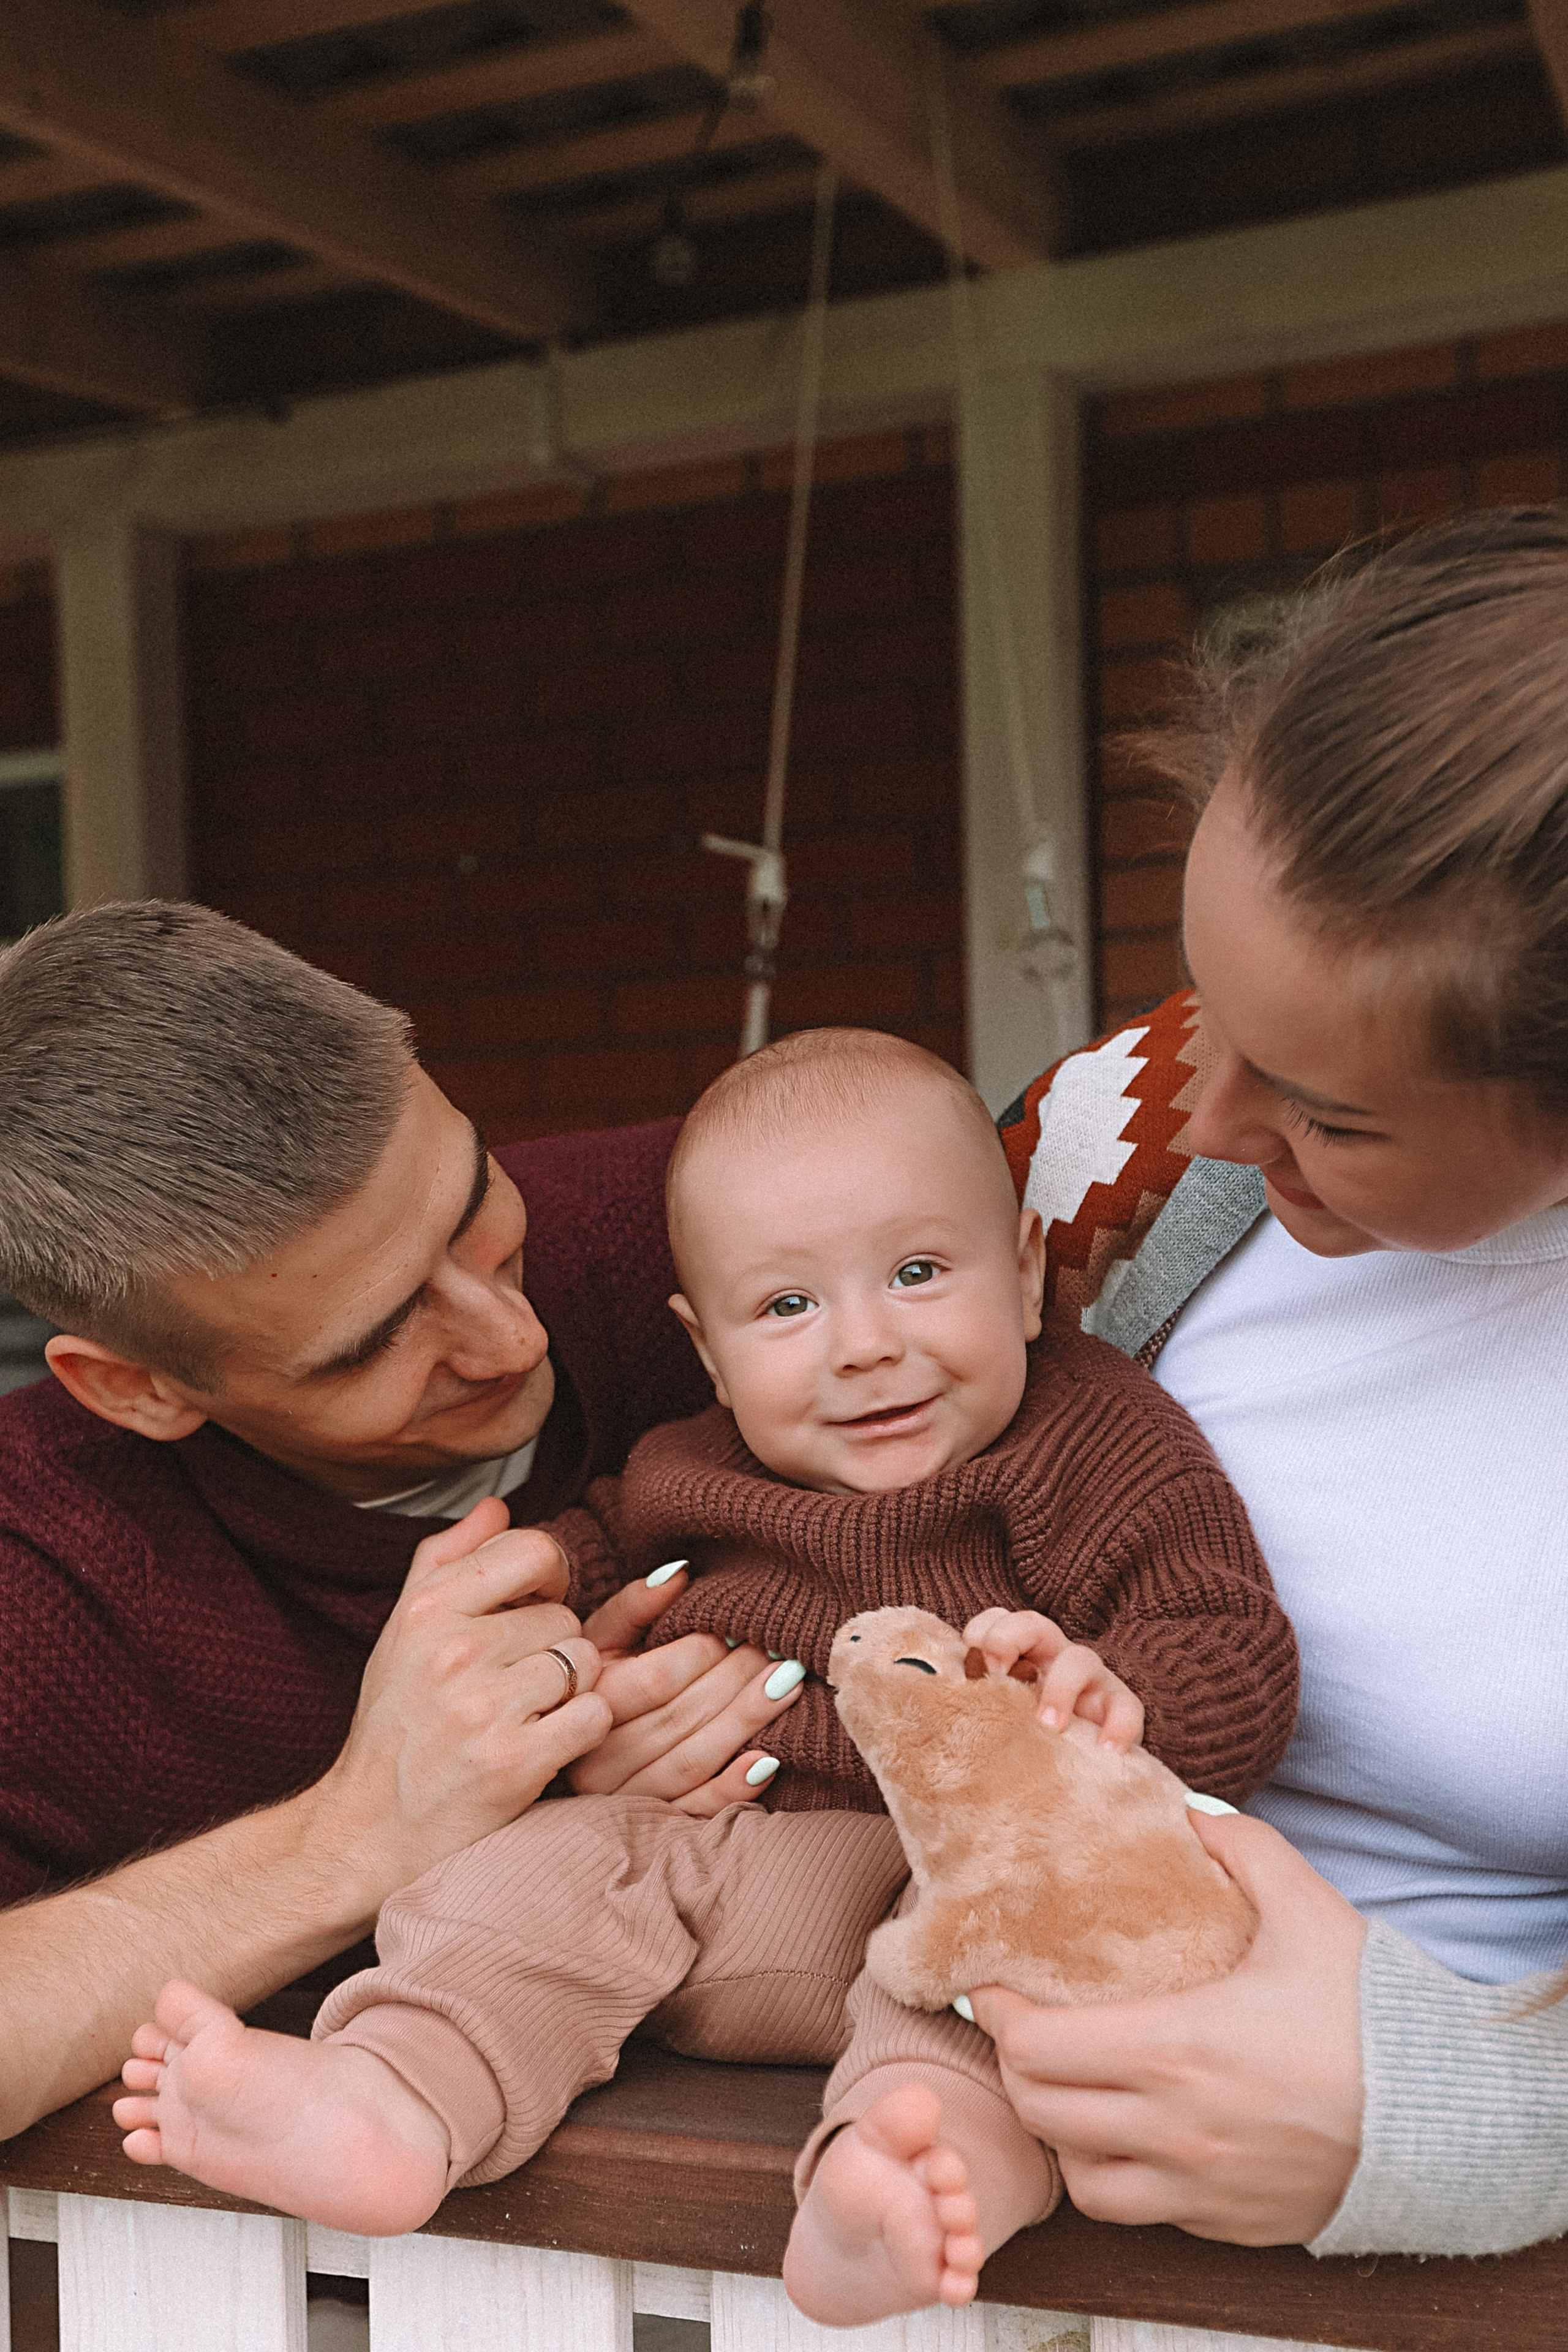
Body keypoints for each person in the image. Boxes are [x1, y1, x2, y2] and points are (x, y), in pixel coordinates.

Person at [111, 1028, 1297, 2326]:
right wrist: (523, 1637)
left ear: (1021, 1278)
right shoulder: (685, 1466)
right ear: (710, 1350)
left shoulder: (1095, 1435)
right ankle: (396, 2095)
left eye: (914, 1272)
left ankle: (907, 2174)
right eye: (787, 1306)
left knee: (1026, 1964)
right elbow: (568, 1576)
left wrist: (1105, 1698)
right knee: (524, 1877)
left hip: (951, 1887)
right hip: (723, 1881)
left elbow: (1222, 1632)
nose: (860, 1345)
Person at [976, 506, 1568, 2261]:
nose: (1212, 1116)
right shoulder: (1120, 1138)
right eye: (1198, 1002)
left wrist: (1453, 2115)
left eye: (1332, 1111)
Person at [0, 902, 807, 2139]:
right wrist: (359, 1833)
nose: (512, 1338)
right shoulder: (39, 1574)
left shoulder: (728, 1221)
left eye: (479, 1210)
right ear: (136, 1389)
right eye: (374, 1344)